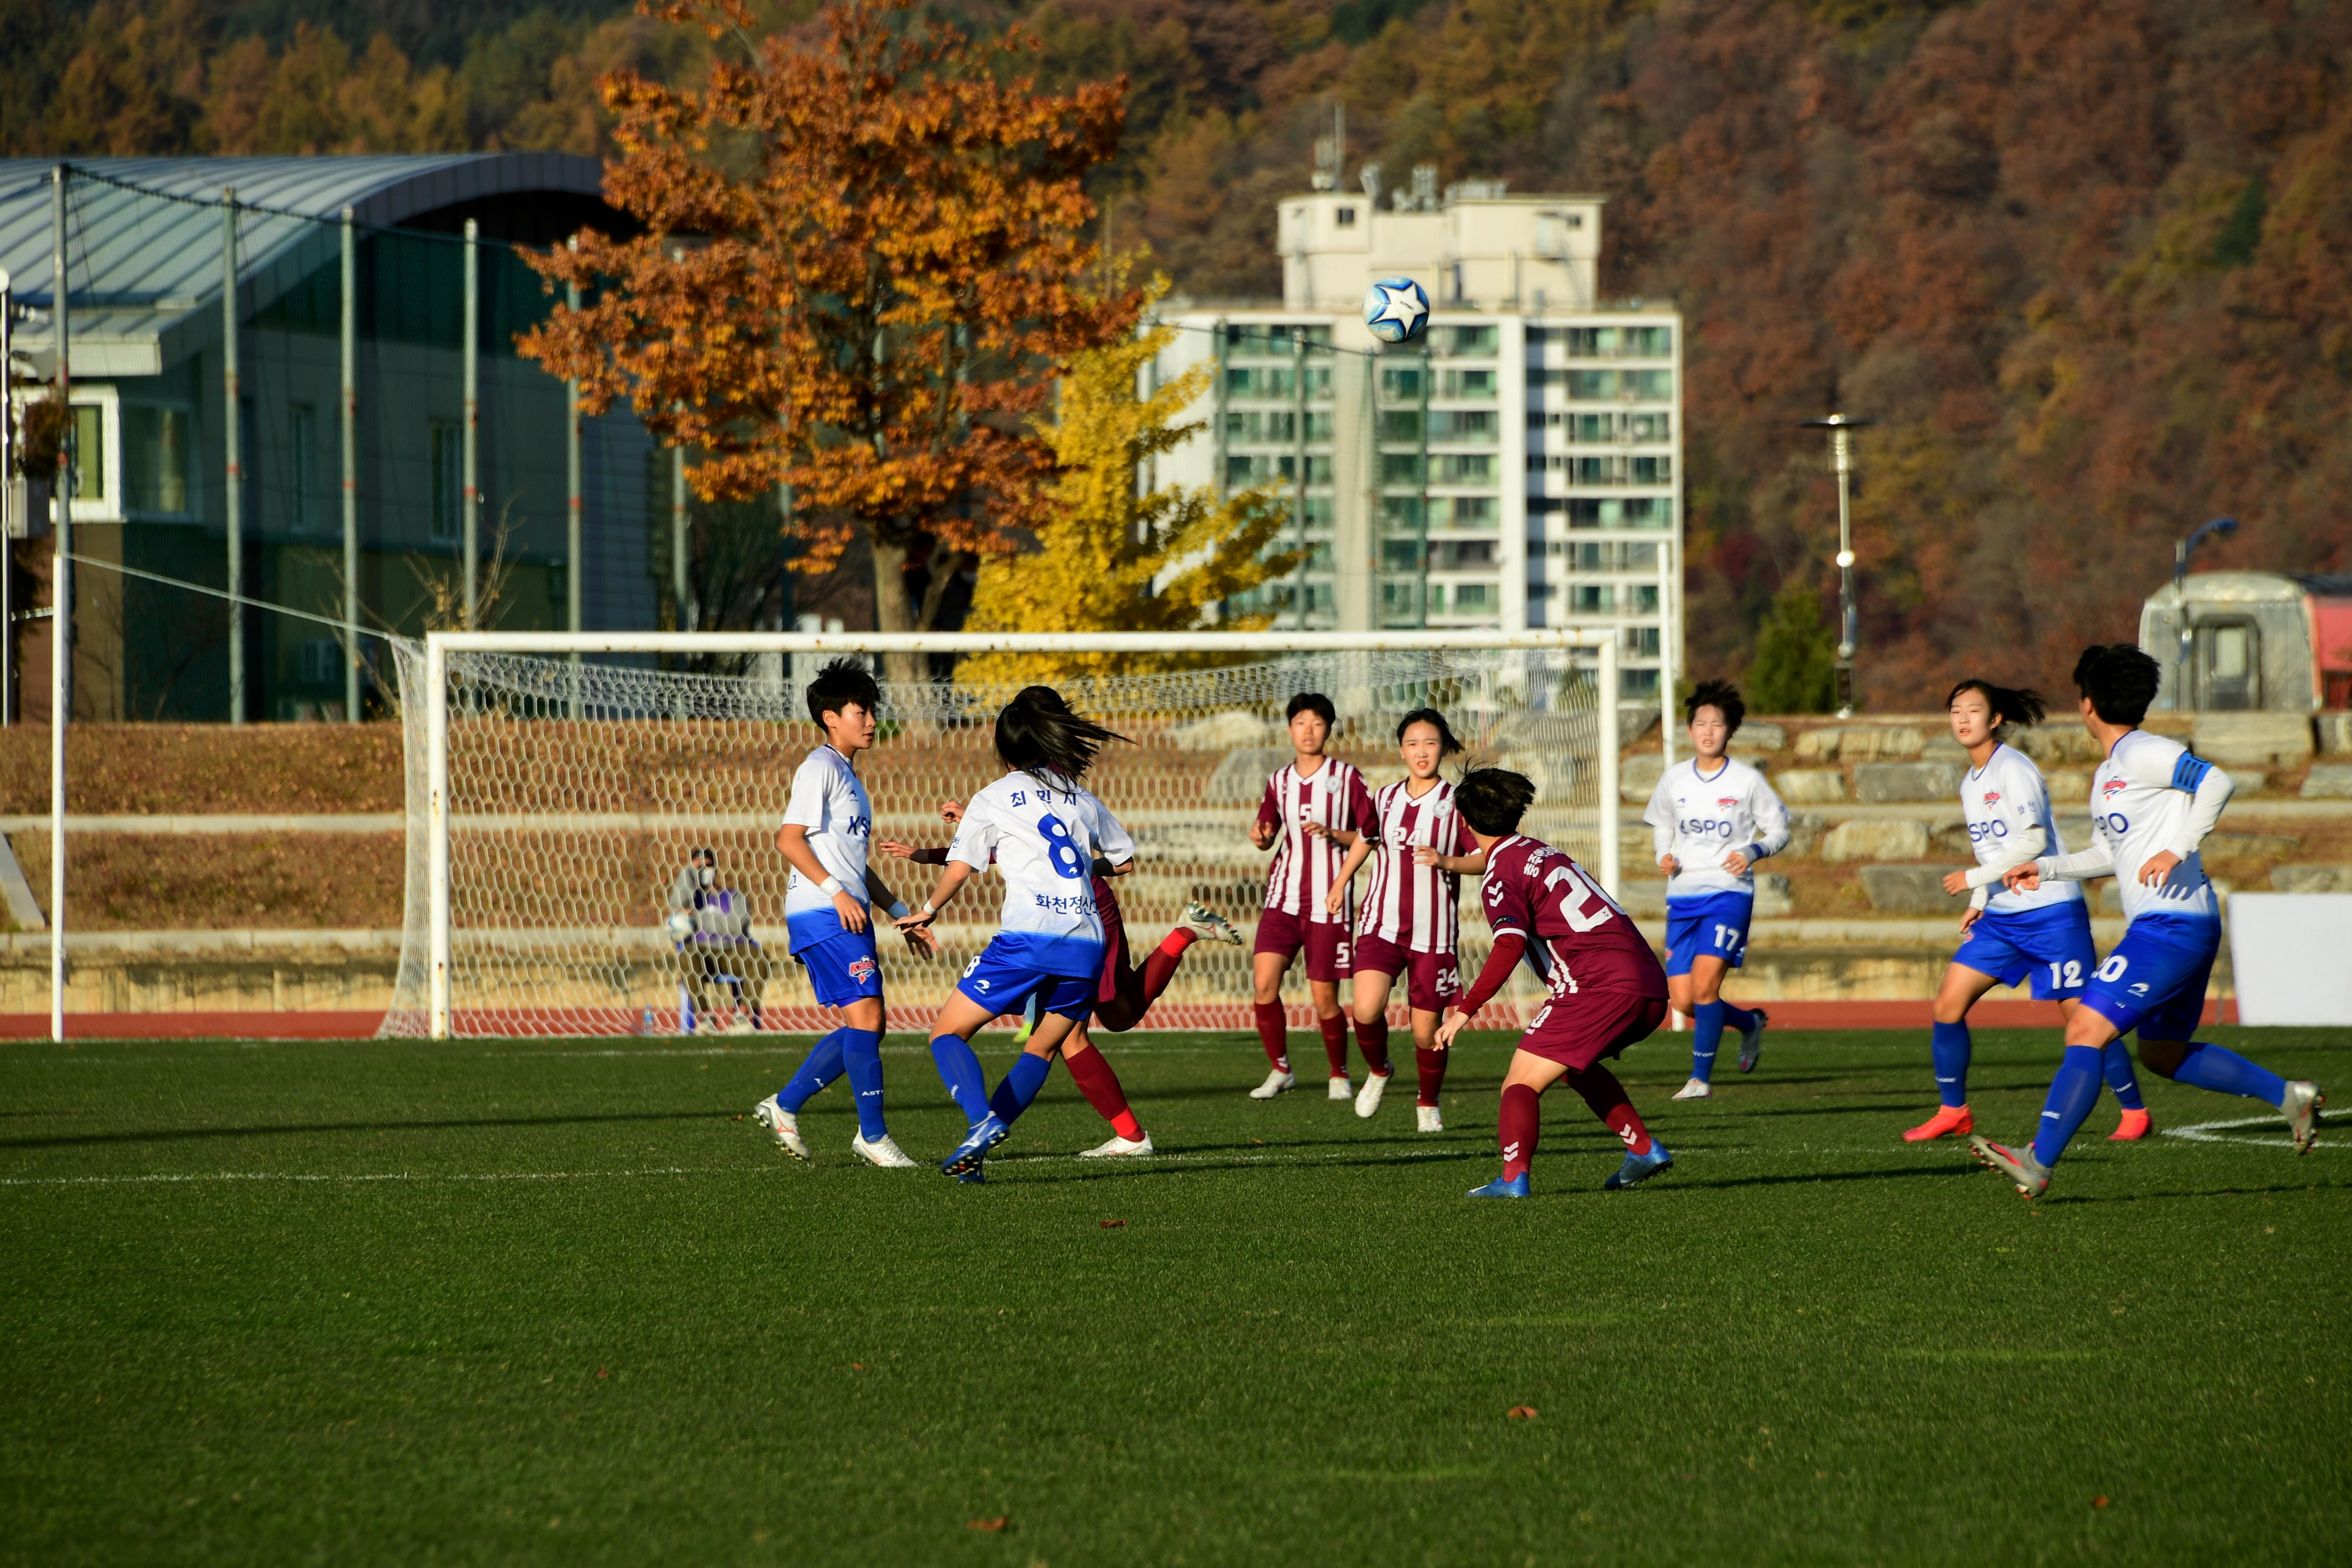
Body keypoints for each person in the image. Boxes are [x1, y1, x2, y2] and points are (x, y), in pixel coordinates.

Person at [1972, 645, 2324, 1198]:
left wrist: (2179, 848)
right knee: (2161, 1054)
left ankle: (2038, 1161)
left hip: (2170, 927)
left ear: (2088, 704)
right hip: (2178, 925)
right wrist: (2043, 867)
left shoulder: (2142, 752)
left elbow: (2216, 783)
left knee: (2086, 1028)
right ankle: (2289, 1098)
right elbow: (2110, 855)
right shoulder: (2112, 772)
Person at [895, 689, 1142, 1180]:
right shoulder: (1079, 794)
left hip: (1030, 938)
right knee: (1042, 1048)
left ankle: (979, 1121)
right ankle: (975, 1159)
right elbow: (1124, 861)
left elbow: (962, 866)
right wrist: (1075, 868)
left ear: (1004, 750)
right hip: (1086, 942)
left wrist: (926, 910)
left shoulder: (991, 797)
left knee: (946, 1033)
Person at [1907, 678, 2149, 1143]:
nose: (1962, 719)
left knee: (2085, 1020)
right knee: (1947, 1005)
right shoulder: (1970, 780)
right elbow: (1992, 851)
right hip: (2001, 919)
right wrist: (1981, 901)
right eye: (1955, 710)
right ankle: (1953, 1110)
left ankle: (2135, 1111)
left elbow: (2033, 841)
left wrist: (1973, 881)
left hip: (2051, 917)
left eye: (1973, 711)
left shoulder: (2013, 768)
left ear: (1995, 719)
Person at [1436, 768, 1674, 1197]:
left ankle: (1513, 1179)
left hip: (1595, 987)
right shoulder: (1541, 852)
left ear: (1466, 824)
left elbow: (1508, 945)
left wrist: (1465, 1010)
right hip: (1650, 984)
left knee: (1519, 1082)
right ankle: (1642, 1148)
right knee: (1572, 1067)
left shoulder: (1500, 875)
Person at [751, 659, 935, 1169]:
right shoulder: (820, 768)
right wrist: (834, 892)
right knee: (870, 1017)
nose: (872, 720)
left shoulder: (851, 778)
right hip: (823, 912)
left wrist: (901, 912)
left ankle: (784, 1105)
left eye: (873, 710)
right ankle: (873, 1136)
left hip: (843, 911)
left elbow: (856, 867)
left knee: (869, 1026)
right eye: (861, 711)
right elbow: (788, 840)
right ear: (832, 717)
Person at [1328, 708, 1484, 1131]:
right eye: (1413, 743)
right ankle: (1379, 1069)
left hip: (1433, 935)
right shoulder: (1386, 798)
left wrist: (1445, 860)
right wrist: (1342, 881)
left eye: (1431, 743)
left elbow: (1484, 858)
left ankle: (1428, 1101)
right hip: (1381, 923)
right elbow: (1366, 837)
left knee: (1425, 1032)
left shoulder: (1458, 803)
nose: (1422, 751)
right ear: (1401, 750)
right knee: (1365, 1008)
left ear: (1444, 748)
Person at [1642, 679, 1786, 1100]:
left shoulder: (1747, 781)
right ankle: (1748, 1024)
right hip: (1682, 897)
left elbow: (1780, 830)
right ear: (1690, 731)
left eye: (1717, 724)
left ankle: (1699, 1079)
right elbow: (1663, 827)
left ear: (1729, 731)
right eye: (1701, 723)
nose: (1708, 730)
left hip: (1728, 894)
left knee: (1706, 988)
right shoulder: (1674, 780)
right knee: (1685, 1002)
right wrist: (1662, 857)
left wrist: (1754, 850)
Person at [1246, 692, 1380, 1100]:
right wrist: (1261, 836)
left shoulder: (1348, 778)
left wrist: (1333, 834)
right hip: (1283, 898)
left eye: (1317, 723)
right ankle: (1280, 1069)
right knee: (1265, 984)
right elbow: (1266, 832)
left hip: (1329, 901)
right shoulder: (1279, 781)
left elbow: (1370, 833)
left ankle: (1338, 1074)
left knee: (1324, 997)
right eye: (1301, 722)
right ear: (1290, 729)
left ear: (1328, 729)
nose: (1308, 730)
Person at [666, 847, 768, 1034]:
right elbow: (676, 905)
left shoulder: (735, 897)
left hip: (735, 950)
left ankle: (742, 1017)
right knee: (686, 957)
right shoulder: (692, 899)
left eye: (708, 866)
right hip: (704, 953)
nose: (704, 871)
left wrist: (698, 918)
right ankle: (706, 1018)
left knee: (761, 957)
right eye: (699, 868)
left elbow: (738, 925)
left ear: (716, 869)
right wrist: (689, 873)